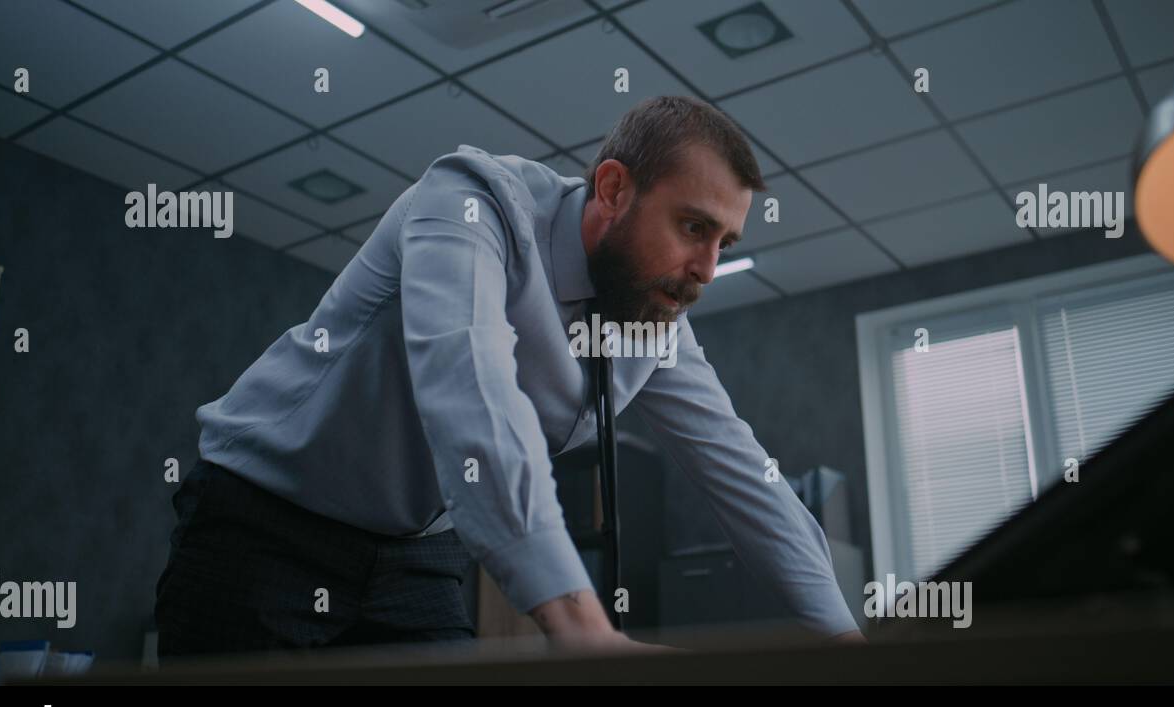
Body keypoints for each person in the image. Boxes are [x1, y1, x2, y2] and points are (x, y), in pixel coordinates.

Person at [154, 95, 865, 659]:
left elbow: (746, 478)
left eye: (725, 243)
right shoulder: (472, 204)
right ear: (613, 188)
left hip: (413, 550)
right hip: (265, 522)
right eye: (692, 227)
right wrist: (585, 629)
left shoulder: (655, 318)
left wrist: (848, 647)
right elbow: (473, 391)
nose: (708, 269)